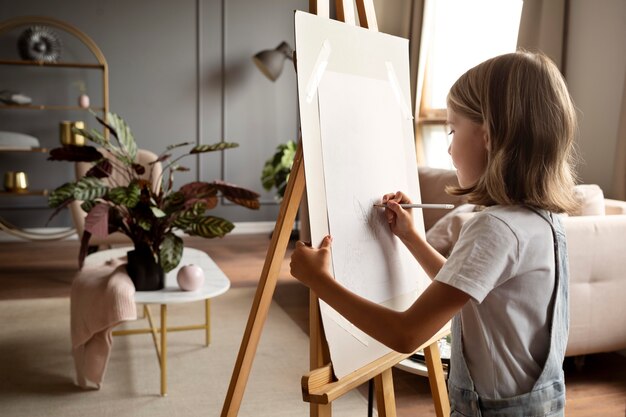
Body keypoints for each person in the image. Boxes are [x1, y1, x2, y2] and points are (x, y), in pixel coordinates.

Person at [290, 51, 578, 417]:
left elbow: (406, 334)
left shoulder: (495, 228)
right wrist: (413, 239)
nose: (448, 146)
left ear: (488, 136)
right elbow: (473, 291)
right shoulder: (542, 221)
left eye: (453, 130)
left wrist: (320, 281)